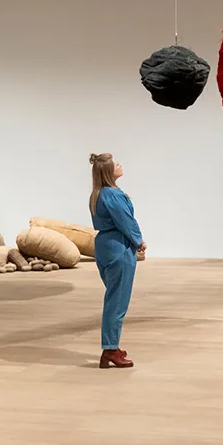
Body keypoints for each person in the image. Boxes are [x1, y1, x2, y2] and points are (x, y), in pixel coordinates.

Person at [89, 152, 144, 369]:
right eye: (116, 163)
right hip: (118, 247)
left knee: (114, 297)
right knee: (117, 301)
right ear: (109, 171)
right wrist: (139, 240)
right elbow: (125, 221)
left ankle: (112, 346)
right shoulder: (113, 195)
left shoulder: (98, 194)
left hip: (104, 246)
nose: (120, 164)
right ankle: (110, 349)